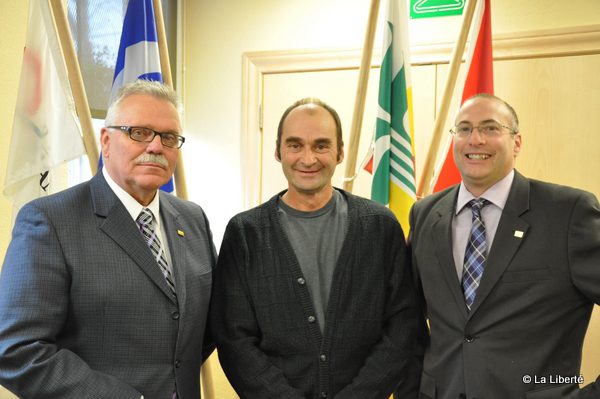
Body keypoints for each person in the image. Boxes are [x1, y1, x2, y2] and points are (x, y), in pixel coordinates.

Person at [0, 80, 216, 398]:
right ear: (106, 141)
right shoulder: (50, 221)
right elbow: (16, 352)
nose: (156, 147)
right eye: (139, 132)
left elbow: (203, 329)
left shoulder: (192, 218)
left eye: (168, 137)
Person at [210, 97, 424, 398]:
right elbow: (234, 340)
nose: (308, 158)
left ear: (339, 153)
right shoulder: (245, 234)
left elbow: (403, 325)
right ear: (278, 151)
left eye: (321, 145)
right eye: (295, 145)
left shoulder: (380, 226)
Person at [409, 93, 600, 398]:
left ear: (517, 142)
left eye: (490, 128)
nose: (476, 140)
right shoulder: (426, 214)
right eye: (464, 129)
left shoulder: (568, 213)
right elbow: (410, 323)